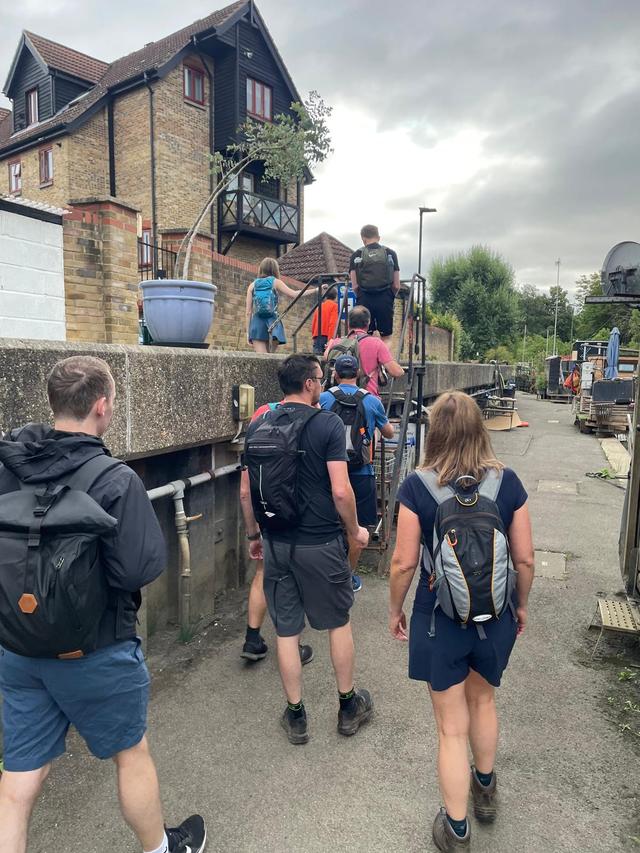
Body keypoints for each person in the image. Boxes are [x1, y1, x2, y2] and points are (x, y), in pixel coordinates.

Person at [0, 356, 206, 853]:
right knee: (131, 754)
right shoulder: (114, 480)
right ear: (101, 405)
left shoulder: (8, 470)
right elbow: (137, 569)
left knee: (20, 776)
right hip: (97, 650)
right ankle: (161, 848)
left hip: (20, 648)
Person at [388, 391, 534, 851]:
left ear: (436, 432)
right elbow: (525, 560)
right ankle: (485, 791)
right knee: (484, 702)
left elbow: (403, 563)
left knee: (451, 728)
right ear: (479, 428)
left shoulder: (417, 486)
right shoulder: (507, 482)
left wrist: (395, 609)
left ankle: (456, 830)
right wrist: (521, 605)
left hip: (440, 620)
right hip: (496, 616)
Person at [242, 354, 373, 745]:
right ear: (311, 384)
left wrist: (253, 535)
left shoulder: (259, 423)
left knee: (286, 630)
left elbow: (246, 490)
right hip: (320, 542)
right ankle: (348, 707)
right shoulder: (328, 424)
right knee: (338, 621)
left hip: (276, 541)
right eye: (321, 377)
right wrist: (355, 531)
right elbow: (339, 488)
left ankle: (296, 715)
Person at [239, 399, 313, 666]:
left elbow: (245, 491)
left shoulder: (260, 416)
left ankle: (252, 639)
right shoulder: (311, 420)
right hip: (293, 514)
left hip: (263, 508)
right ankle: (294, 644)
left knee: (262, 572)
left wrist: (252, 534)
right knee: (294, 578)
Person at [320, 353, 395, 591]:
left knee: (326, 524)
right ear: (359, 374)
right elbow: (389, 433)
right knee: (359, 527)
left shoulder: (323, 398)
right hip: (361, 472)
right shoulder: (372, 401)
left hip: (328, 472)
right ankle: (347, 575)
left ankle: (325, 573)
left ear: (335, 373)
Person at [324, 305, 404, 397]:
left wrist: (330, 343)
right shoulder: (376, 343)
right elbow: (396, 372)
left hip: (339, 398)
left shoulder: (336, 342)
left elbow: (326, 356)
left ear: (348, 323)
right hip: (366, 398)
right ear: (368, 322)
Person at [246, 257, 311, 353]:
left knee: (262, 359)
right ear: (275, 269)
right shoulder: (275, 282)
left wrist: (248, 333)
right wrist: (316, 290)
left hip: (257, 323)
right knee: (271, 358)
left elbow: (248, 312)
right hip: (273, 322)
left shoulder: (252, 285)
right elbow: (294, 294)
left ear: (261, 269)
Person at [350, 224, 400, 344]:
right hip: (385, 298)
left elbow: (355, 286)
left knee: (363, 335)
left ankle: (366, 362)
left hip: (364, 299)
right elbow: (396, 285)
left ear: (363, 238)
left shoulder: (356, 255)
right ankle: (382, 362)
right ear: (379, 237)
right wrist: (390, 295)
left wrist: (362, 296)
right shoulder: (390, 253)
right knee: (386, 337)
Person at [311, 287, 339, 355]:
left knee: (317, 358)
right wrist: (331, 339)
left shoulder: (319, 307)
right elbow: (333, 323)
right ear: (336, 296)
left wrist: (314, 336)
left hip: (317, 336)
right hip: (327, 336)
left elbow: (314, 323)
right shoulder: (335, 306)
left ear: (326, 296)